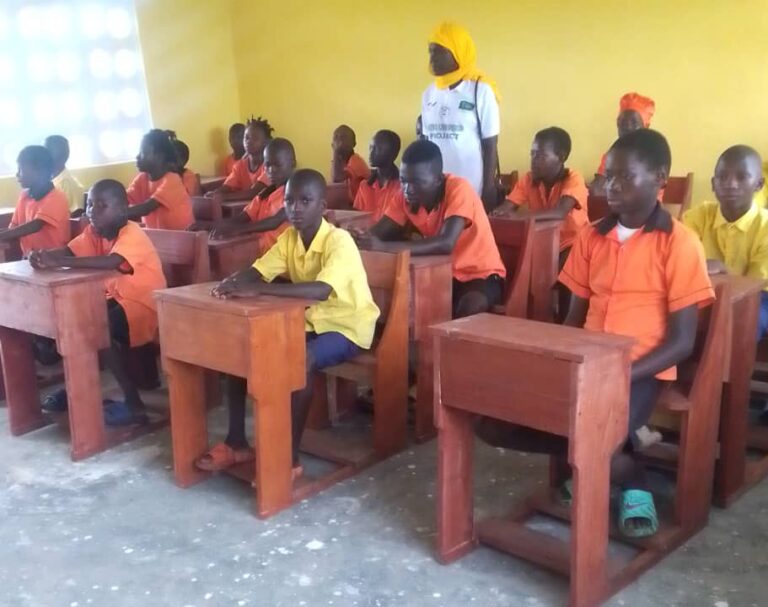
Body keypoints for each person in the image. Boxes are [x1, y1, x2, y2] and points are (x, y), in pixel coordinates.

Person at [477, 129, 714, 539]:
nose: (612, 186)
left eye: (625, 176)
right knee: (491, 420)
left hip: (641, 369)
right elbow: (574, 319)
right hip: (586, 361)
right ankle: (610, 460)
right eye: (608, 177)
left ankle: (627, 476)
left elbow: (681, 342)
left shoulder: (679, 244)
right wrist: (555, 364)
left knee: (594, 432)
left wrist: (623, 373)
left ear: (659, 179)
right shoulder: (591, 237)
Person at [197, 169, 379, 477]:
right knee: (244, 352)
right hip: (309, 322)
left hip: (348, 327)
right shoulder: (289, 238)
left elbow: (321, 291)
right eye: (289, 201)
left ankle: (289, 459)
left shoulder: (339, 241)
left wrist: (258, 289)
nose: (295, 208)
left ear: (322, 207)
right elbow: (259, 270)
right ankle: (236, 442)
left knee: (300, 361)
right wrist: (234, 281)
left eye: (305, 201)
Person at [30, 179, 167, 426]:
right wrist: (43, 256)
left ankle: (134, 404)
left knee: (96, 328)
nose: (93, 211)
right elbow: (70, 251)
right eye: (90, 204)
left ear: (123, 210)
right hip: (117, 299)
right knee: (74, 318)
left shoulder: (132, 233)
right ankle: (76, 388)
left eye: (102, 205)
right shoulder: (95, 232)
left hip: (146, 306)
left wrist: (58, 263)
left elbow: (111, 262)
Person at [353, 139, 505, 318]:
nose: (408, 189)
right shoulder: (404, 197)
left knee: (469, 306)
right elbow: (379, 232)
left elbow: (446, 243)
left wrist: (383, 247)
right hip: (440, 273)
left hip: (479, 275)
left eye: (416, 182)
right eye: (403, 181)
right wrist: (359, 237)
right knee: (399, 302)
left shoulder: (459, 189)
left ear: (438, 180)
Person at [683, 145, 768, 338]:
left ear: (759, 184)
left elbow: (754, 287)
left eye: (742, 177)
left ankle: (728, 360)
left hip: (759, 298)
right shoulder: (698, 215)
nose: (731, 184)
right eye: (722, 177)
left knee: (742, 320)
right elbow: (679, 261)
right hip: (704, 292)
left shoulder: (765, 226)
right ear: (713, 184)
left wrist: (723, 271)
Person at [421, 21, 501, 210]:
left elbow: (490, 145)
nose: (432, 58)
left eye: (439, 52)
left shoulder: (480, 90)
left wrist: (488, 189)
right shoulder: (429, 93)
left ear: (458, 53)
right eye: (430, 52)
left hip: (471, 188)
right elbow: (426, 141)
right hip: (436, 189)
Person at [494, 127, 589, 257]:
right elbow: (507, 207)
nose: (534, 160)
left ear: (561, 157)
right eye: (532, 154)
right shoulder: (528, 179)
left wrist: (518, 216)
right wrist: (498, 214)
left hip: (573, 245)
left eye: (541, 155)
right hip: (543, 245)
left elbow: (559, 213)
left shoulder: (574, 178)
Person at [206, 138, 295, 252]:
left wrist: (237, 230)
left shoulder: (295, 194)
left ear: (292, 163)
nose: (271, 170)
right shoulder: (264, 194)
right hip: (259, 249)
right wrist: (210, 226)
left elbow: (274, 221)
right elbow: (242, 217)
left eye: (277, 165)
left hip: (281, 254)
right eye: (267, 165)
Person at [0, 145, 70, 255]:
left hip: (54, 260)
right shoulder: (24, 196)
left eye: (21, 169)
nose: (17, 174)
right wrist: (4, 237)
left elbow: (35, 225)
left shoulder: (57, 197)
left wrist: (3, 235)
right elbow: (13, 229)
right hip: (30, 259)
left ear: (39, 171)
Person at [126, 129, 194, 230]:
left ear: (160, 157)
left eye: (143, 152)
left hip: (182, 236)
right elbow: (125, 198)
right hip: (157, 236)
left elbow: (147, 208)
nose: (137, 156)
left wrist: (117, 214)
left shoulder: (172, 179)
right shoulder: (142, 178)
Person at [589, 92, 656, 196]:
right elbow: (596, 189)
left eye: (634, 123)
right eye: (623, 122)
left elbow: (643, 196)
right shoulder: (611, 156)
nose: (628, 127)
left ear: (645, 127)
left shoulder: (654, 158)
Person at [214, 117, 274, 201]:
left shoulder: (270, 166)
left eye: (255, 138)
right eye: (246, 137)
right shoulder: (240, 165)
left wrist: (225, 197)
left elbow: (255, 192)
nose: (249, 141)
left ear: (266, 142)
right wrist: (215, 193)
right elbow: (227, 186)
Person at [353, 130, 402, 222]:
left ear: (393, 154)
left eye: (377, 149)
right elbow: (357, 218)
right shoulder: (365, 185)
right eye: (371, 147)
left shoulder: (401, 187)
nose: (371, 153)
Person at [44, 135, 85, 214]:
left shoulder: (67, 184)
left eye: (46, 153)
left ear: (62, 158)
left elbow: (75, 216)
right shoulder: (49, 181)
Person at [330, 125, 370, 200]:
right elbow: (334, 183)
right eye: (336, 137)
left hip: (361, 205)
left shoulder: (356, 160)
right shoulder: (340, 163)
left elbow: (337, 178)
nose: (339, 141)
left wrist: (335, 151)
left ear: (354, 143)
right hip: (350, 204)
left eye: (343, 137)